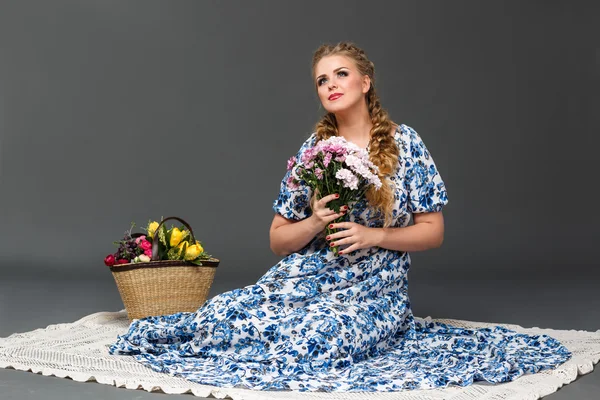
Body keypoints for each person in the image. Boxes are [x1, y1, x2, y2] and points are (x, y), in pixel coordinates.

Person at [109, 41, 572, 392]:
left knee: (321, 338)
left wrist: (373, 235)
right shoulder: (314, 153)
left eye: (340, 74)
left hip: (373, 291)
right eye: (321, 79)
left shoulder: (405, 143)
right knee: (219, 316)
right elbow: (277, 241)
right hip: (310, 273)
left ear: (365, 82)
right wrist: (314, 221)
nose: (330, 84)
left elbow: (433, 233)